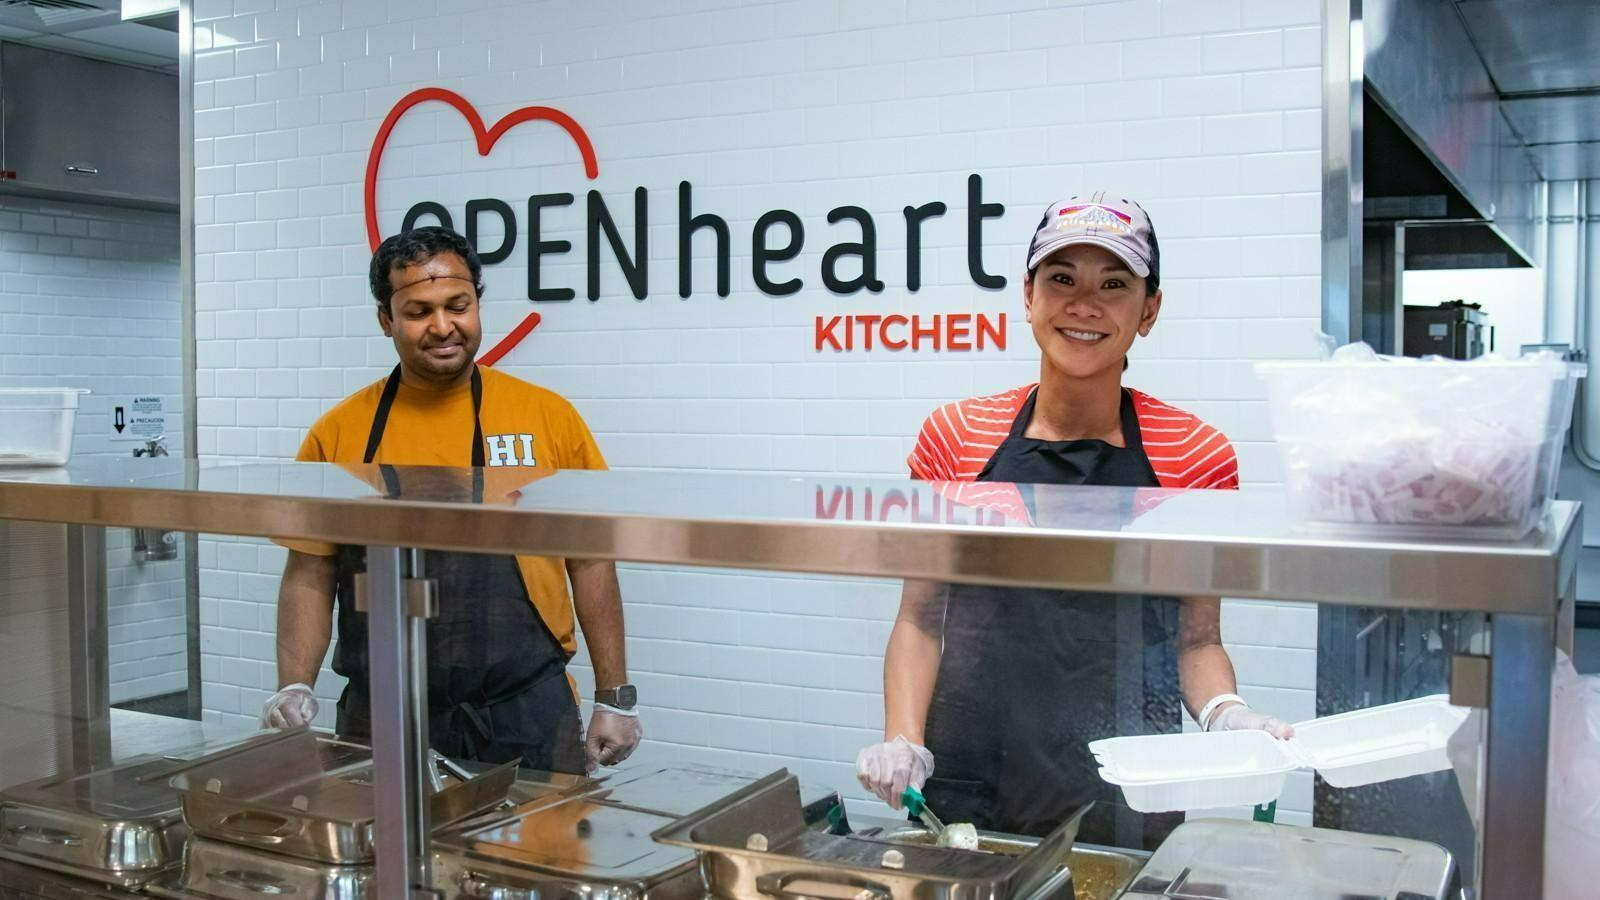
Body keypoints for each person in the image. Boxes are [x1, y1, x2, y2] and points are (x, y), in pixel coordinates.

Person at [855, 194, 1291, 847]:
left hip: (1127, 781)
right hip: (974, 773)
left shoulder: (1194, 453)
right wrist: (904, 737)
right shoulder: (956, 437)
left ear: (1150, 309)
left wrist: (1226, 715)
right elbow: (920, 617)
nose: (1084, 304)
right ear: (1027, 295)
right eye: (1061, 279)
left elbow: (1196, 640)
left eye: (1114, 284)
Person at [263, 226, 640, 774]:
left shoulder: (547, 418)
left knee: (538, 857)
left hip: (524, 712)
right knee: (383, 857)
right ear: (386, 321)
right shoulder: (340, 432)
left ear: (477, 304)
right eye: (418, 311)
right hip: (382, 714)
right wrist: (293, 683)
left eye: (457, 306)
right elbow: (309, 571)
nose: (443, 326)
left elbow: (591, 558)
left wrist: (614, 695)